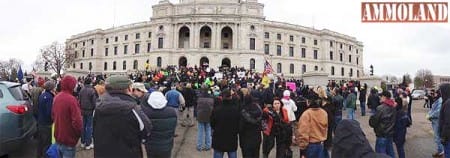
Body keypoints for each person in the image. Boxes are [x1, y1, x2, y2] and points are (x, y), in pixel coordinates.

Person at [93, 75, 152, 158]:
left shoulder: (97, 108)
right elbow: (147, 130)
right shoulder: (134, 109)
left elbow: (94, 130)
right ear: (128, 89)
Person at [52, 75, 82, 158]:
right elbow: (77, 122)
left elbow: (53, 116)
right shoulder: (72, 100)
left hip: (58, 137)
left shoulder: (56, 97)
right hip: (69, 140)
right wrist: (77, 135)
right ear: (71, 85)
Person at [142, 91, 177, 158]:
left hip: (151, 146)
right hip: (166, 145)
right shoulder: (172, 112)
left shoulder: (145, 113)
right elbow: (173, 127)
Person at [297, 90, 328, 158]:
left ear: (309, 101)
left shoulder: (306, 114)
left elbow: (303, 132)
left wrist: (302, 149)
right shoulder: (324, 113)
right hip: (321, 144)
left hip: (310, 146)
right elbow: (326, 129)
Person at [211, 89, 241, 158]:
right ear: (231, 97)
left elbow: (212, 123)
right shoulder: (236, 110)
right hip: (232, 138)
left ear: (222, 97)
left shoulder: (216, 110)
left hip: (219, 138)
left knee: (218, 153)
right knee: (232, 153)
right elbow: (239, 124)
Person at [369, 91, 396, 157]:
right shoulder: (393, 107)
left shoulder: (380, 108)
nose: (380, 97)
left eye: (381, 96)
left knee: (380, 154)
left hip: (382, 135)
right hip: (390, 134)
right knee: (390, 153)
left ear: (384, 97)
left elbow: (373, 122)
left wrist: (371, 118)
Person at [239, 91, 263, 158]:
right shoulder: (258, 109)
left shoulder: (243, 111)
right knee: (256, 155)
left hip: (246, 138)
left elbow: (241, 127)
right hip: (256, 137)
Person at [36, 81, 55, 158]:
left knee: (40, 143)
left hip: (40, 122)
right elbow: (49, 112)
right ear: (51, 88)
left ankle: (38, 155)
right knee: (47, 144)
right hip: (47, 124)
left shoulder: (42, 95)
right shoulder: (50, 97)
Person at [78, 78, 97, 150]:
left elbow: (79, 100)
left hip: (82, 110)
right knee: (89, 127)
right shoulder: (92, 91)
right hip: (89, 110)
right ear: (90, 82)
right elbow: (94, 102)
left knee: (83, 126)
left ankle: (83, 142)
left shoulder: (81, 90)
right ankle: (88, 143)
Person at [196, 85, 214, 151]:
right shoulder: (212, 97)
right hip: (209, 115)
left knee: (200, 131)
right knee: (208, 131)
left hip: (200, 115)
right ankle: (208, 146)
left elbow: (196, 106)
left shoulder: (199, 97)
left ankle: (199, 146)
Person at [428, 91, 444, 157]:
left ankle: (442, 153)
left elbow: (438, 112)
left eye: (435, 93)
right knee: (437, 137)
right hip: (435, 121)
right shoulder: (437, 100)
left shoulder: (440, 101)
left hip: (437, 121)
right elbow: (432, 109)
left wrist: (430, 116)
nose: (434, 95)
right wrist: (429, 114)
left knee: (438, 137)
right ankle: (440, 151)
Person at [393, 92, 409, 158]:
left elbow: (398, 124)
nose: (393, 103)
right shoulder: (402, 111)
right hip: (401, 133)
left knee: (400, 148)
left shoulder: (398, 112)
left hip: (399, 133)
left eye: (395, 102)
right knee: (400, 148)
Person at [438, 83, 450, 158]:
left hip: (448, 137)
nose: (440, 93)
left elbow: (448, 122)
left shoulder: (448, 103)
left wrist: (444, 137)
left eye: (441, 91)